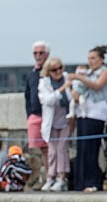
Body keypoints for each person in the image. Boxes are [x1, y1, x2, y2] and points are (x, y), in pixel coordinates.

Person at [67, 45, 107, 192]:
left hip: (96, 114)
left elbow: (97, 86)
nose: (91, 61)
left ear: (101, 59)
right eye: (89, 59)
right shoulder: (87, 73)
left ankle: (92, 182)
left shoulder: (106, 72)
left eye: (93, 58)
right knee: (82, 149)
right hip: (83, 113)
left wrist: (79, 77)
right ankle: (80, 182)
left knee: (91, 148)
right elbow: (78, 89)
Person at [38, 56, 73, 192]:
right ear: (49, 71)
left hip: (65, 120)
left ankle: (61, 177)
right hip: (51, 122)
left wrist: (66, 87)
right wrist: (61, 90)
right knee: (52, 152)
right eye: (54, 70)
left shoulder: (67, 78)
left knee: (62, 150)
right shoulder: (44, 83)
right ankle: (50, 177)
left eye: (60, 68)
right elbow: (47, 100)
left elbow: (71, 98)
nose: (58, 72)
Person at [25, 41, 50, 176]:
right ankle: (48, 176)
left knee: (52, 149)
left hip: (49, 115)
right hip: (35, 114)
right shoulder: (32, 74)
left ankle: (54, 177)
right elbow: (27, 96)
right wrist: (29, 115)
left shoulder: (53, 71)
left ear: (47, 54)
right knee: (42, 149)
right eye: (35, 53)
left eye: (41, 53)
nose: (38, 56)